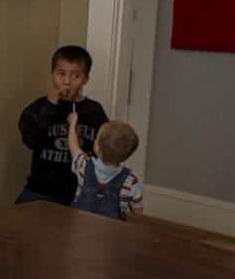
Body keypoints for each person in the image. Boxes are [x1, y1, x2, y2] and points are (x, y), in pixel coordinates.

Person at [16, 45, 109, 205]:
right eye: (61, 74)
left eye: (76, 76)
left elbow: (105, 147)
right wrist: (50, 105)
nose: (67, 81)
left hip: (79, 192)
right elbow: (31, 140)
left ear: (85, 79)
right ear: (52, 74)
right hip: (40, 188)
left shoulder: (94, 110)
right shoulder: (39, 107)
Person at [67, 110, 143, 220]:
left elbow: (73, 146)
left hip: (80, 226)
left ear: (97, 148)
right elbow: (138, 211)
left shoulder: (83, 164)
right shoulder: (130, 181)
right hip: (112, 233)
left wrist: (72, 123)